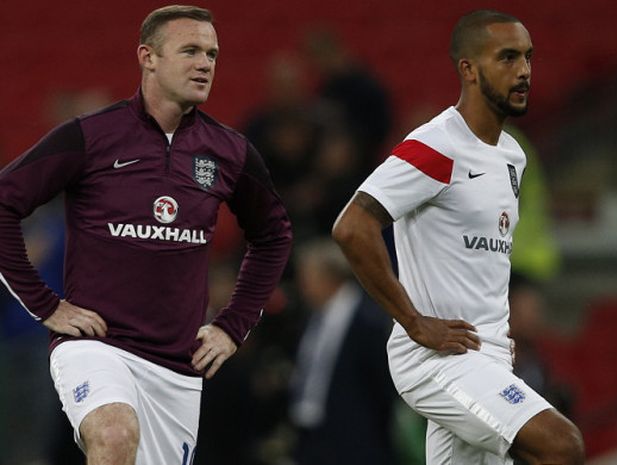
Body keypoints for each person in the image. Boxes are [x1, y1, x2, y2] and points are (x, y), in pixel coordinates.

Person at [0, 5, 292, 465]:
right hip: (97, 346)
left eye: (212, 54)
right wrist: (45, 304)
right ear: (147, 57)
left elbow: (274, 234)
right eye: (191, 50)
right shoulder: (91, 137)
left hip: (177, 367)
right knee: (114, 435)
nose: (205, 64)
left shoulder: (230, 152)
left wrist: (233, 325)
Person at [332, 9, 584, 465]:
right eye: (507, 58)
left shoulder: (511, 155)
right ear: (468, 69)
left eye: (528, 57)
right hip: (436, 360)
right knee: (561, 445)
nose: (524, 71)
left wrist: (495, 332)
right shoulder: (437, 146)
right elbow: (352, 227)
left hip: (487, 356)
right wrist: (413, 322)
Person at [289, 238, 397, 465]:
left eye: (308, 278)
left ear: (330, 278)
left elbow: (384, 386)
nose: (303, 286)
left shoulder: (369, 320)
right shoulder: (314, 317)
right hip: (312, 438)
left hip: (356, 443)